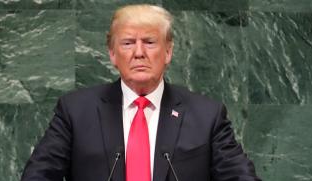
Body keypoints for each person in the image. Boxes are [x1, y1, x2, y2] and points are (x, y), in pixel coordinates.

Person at [21, 4, 260, 181]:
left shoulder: (207, 115)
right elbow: (38, 176)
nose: (138, 53)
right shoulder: (75, 111)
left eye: (149, 42)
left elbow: (240, 177)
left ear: (168, 52)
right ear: (112, 54)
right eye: (127, 43)